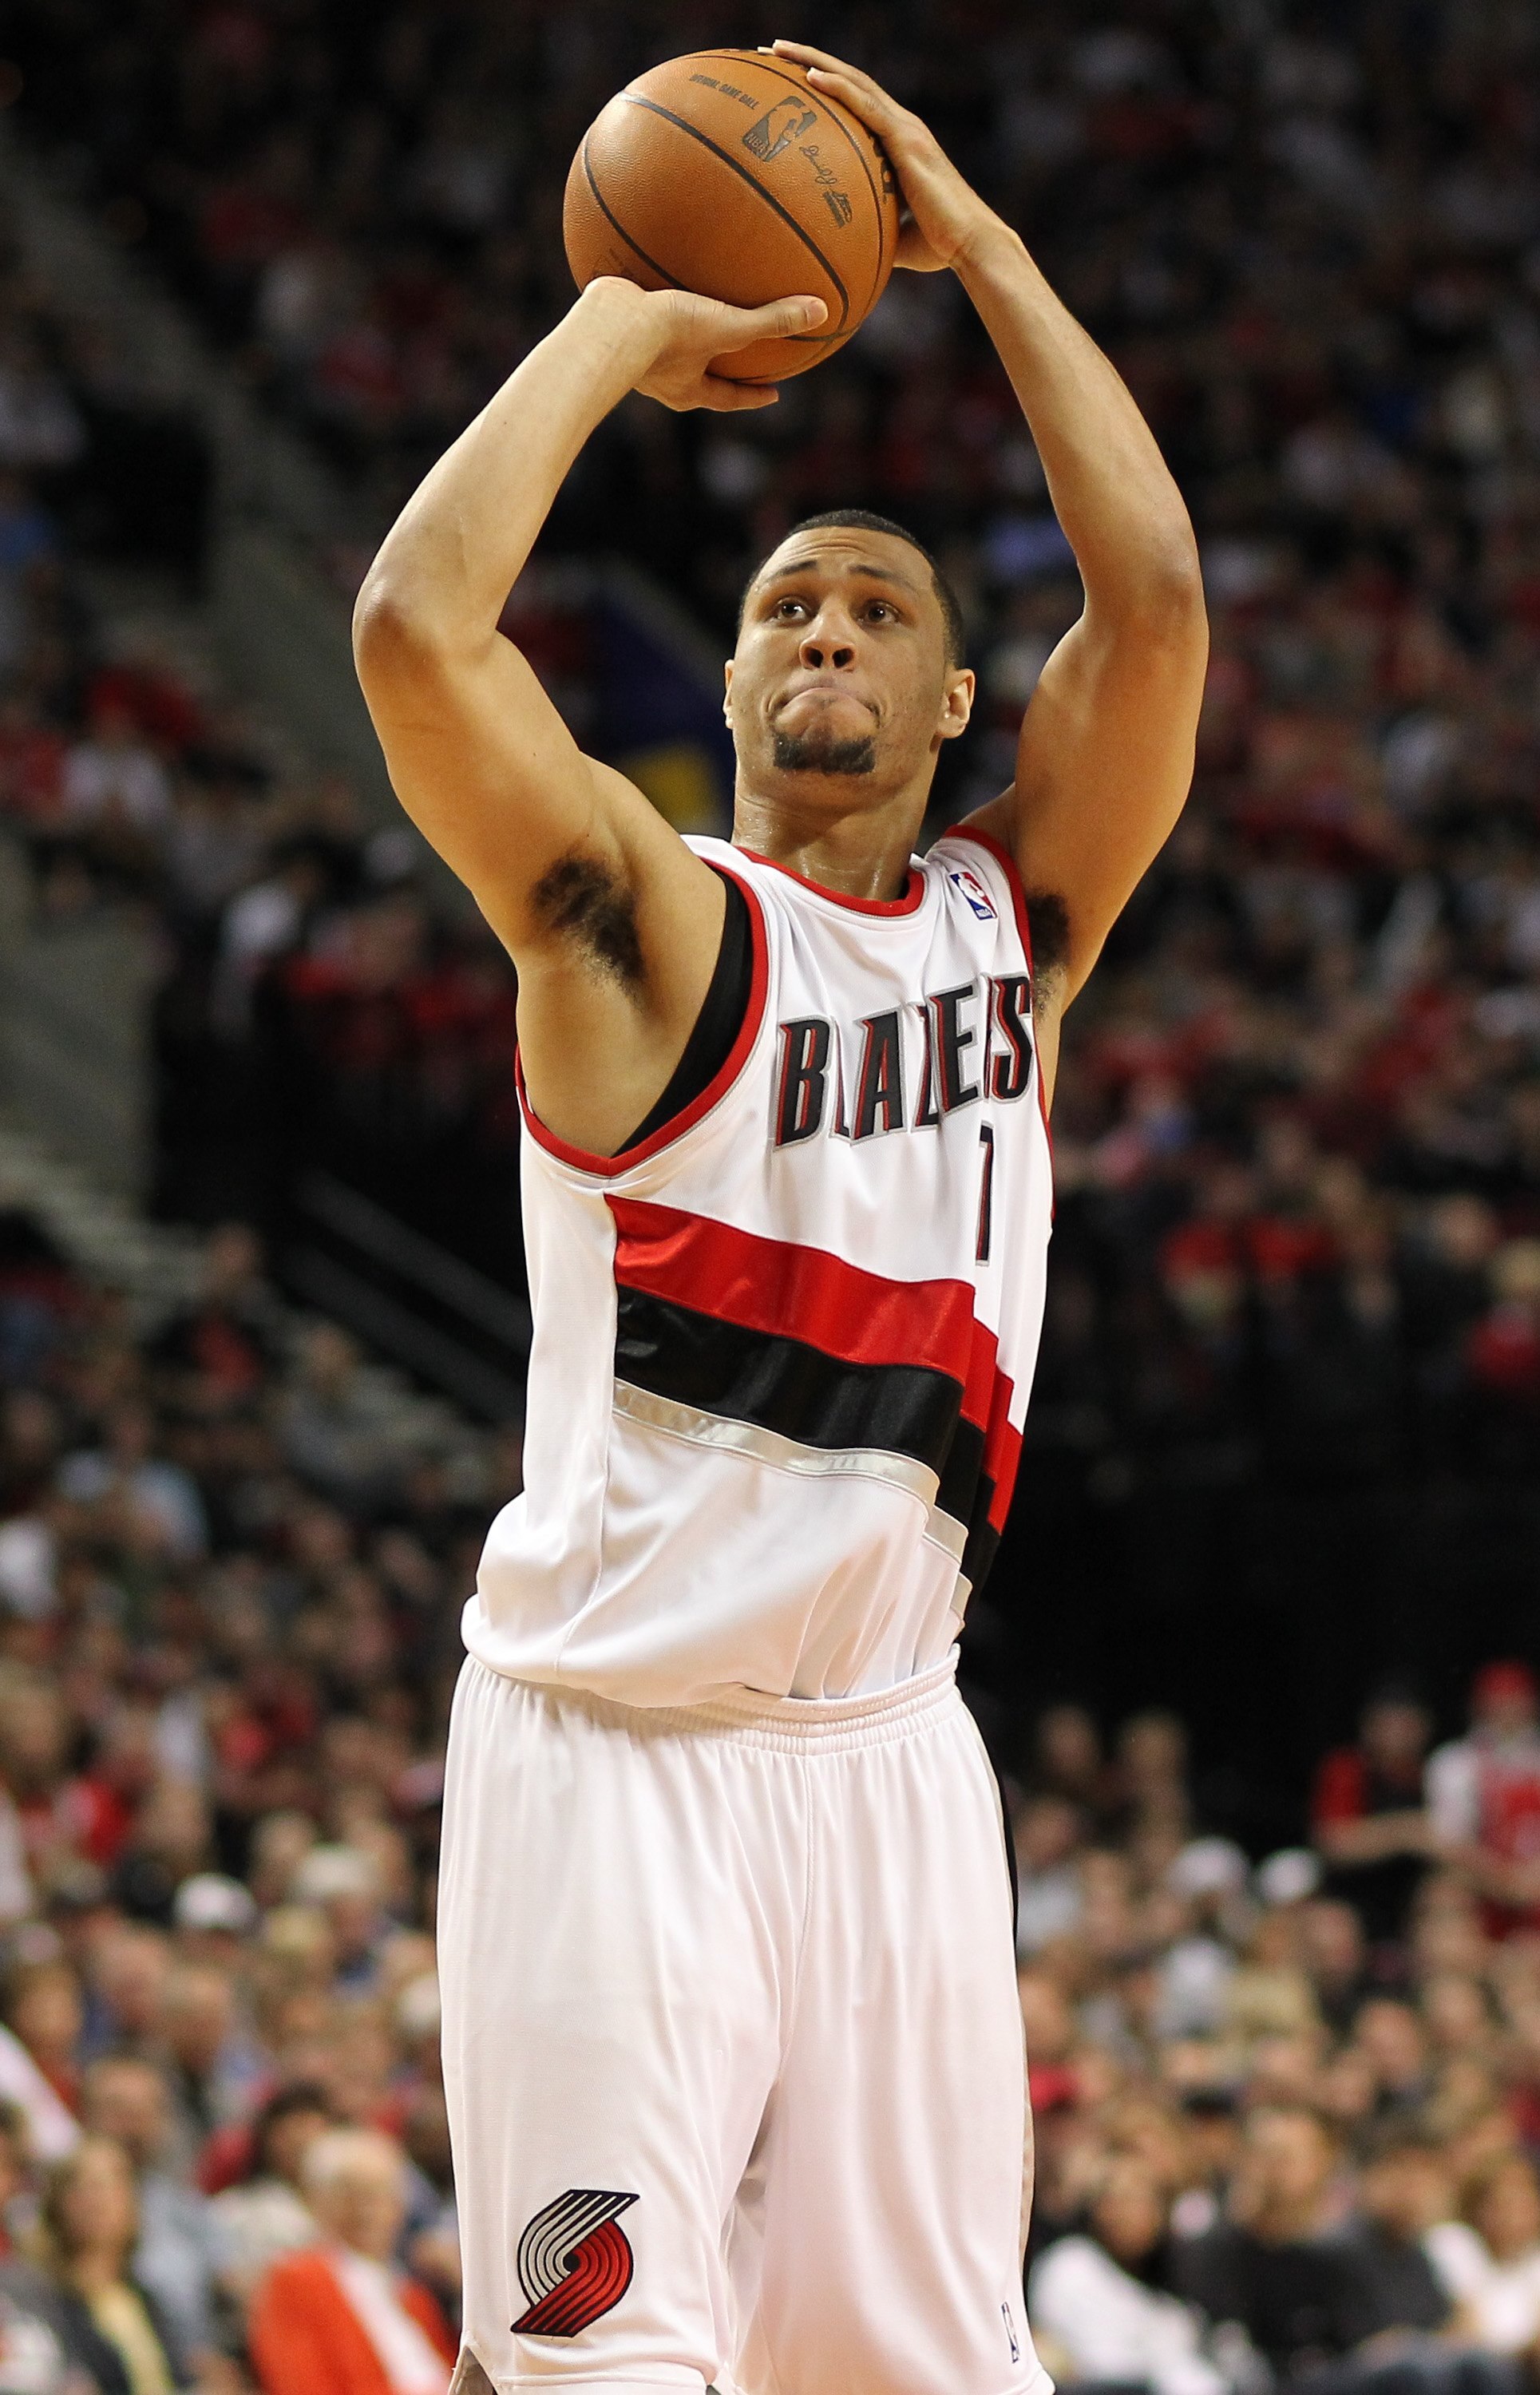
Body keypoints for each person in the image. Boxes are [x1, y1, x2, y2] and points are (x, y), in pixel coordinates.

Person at [353, 35, 1205, 2395]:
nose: (823, 631)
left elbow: (1150, 600)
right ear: (726, 684)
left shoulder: (1015, 923)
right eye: (784, 608)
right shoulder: (643, 925)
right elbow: (415, 636)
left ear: (952, 700)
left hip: (893, 1755)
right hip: (611, 1756)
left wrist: (975, 238)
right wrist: (619, 318)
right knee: (605, 2370)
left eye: (872, 611)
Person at [247, 2129, 454, 2395]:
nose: (365, 2211)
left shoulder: (413, 2294)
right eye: (349, 2195)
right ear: (317, 2203)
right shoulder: (296, 2279)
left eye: (377, 2196)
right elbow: (301, 2384)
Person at [1029, 2152, 1226, 2395]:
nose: (1135, 2213)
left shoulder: (1176, 2288)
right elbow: (1086, 2364)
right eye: (1123, 2200)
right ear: (1097, 2207)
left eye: (1147, 2201)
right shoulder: (1070, 2266)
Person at [34, 2136, 190, 2394]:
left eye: (111, 2184)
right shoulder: (45, 2301)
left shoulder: (145, 2298)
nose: (98, 2200)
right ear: (58, 2204)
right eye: (83, 2186)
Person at [1312, 1688, 1437, 1945]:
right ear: (1368, 1728)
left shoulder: (1435, 1773)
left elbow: (1450, 1844)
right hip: (1352, 1899)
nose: (1396, 1735)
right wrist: (1406, 1832)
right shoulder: (1348, 1769)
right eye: (1387, 1723)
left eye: (1405, 1724)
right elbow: (1335, 1842)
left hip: (1412, 1903)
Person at [1425, 1665, 1540, 1936]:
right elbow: (1449, 1842)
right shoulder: (1454, 1763)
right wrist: (1506, 1882)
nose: (1507, 1711)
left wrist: (1531, 1879)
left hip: (1534, 1881)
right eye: (1498, 1703)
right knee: (1442, 1892)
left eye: (1515, 1702)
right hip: (1479, 1887)